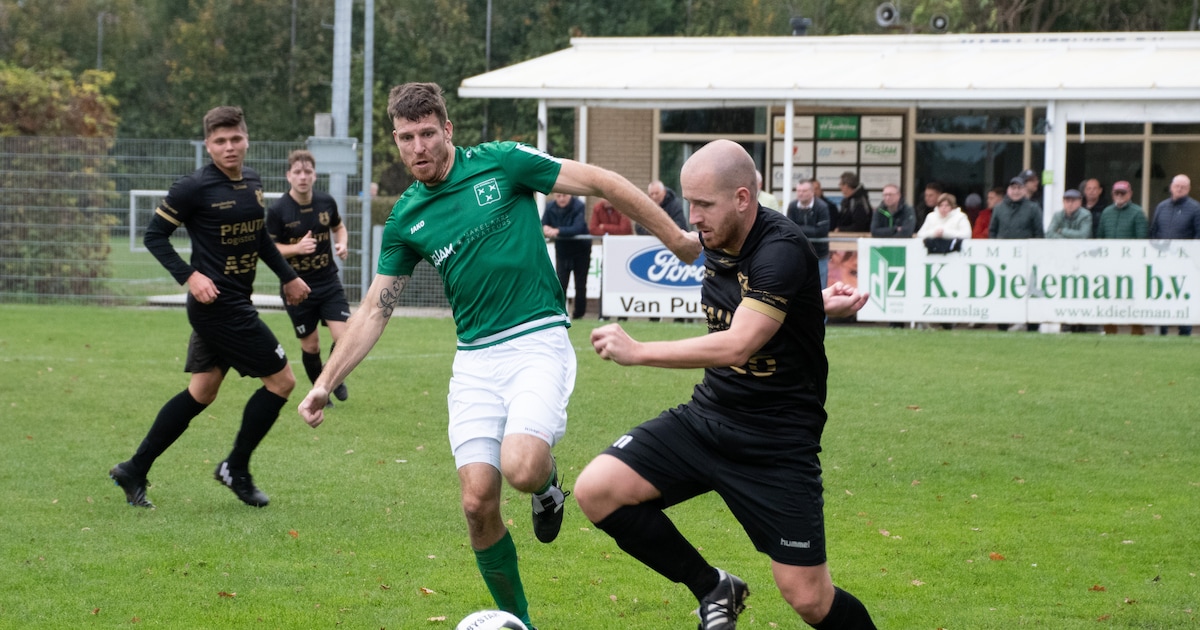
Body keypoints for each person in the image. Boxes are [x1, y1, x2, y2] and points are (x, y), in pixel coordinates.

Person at [296, 82, 700, 629]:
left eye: (427, 134)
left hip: (537, 342)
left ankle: (548, 485)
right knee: (476, 502)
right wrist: (325, 380)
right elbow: (374, 308)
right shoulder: (407, 218)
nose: (417, 148)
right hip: (475, 361)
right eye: (405, 138)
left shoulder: (503, 164)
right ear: (396, 140)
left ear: (448, 130)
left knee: (522, 468)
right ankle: (520, 624)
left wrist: (675, 237)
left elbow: (600, 181)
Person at [574, 139, 877, 630]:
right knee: (597, 490)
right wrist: (815, 300)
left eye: (703, 204)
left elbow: (739, 343)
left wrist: (639, 352)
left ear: (742, 197)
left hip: (775, 443)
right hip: (707, 418)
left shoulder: (780, 247)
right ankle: (714, 587)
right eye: (688, 202)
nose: (692, 217)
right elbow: (766, 299)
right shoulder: (718, 236)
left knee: (809, 598)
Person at [109, 106, 310, 509]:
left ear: (246, 139)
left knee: (201, 392)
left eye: (235, 139)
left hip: (235, 300)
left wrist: (288, 275)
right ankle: (235, 468)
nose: (229, 147)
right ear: (208, 145)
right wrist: (189, 276)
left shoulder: (252, 182)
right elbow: (155, 236)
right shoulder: (193, 188)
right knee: (283, 381)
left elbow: (260, 241)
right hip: (218, 307)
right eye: (220, 141)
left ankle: (133, 469)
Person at [267, 149, 351, 407]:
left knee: (345, 338)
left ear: (315, 175)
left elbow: (338, 227)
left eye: (308, 172)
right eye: (298, 172)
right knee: (311, 346)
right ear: (288, 176)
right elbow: (269, 249)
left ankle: (331, 375)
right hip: (297, 286)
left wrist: (342, 244)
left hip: (328, 282)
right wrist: (296, 249)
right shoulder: (278, 210)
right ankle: (321, 392)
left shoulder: (326, 202)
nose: (303, 177)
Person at [990, 176, 1044, 331]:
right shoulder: (999, 208)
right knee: (1003, 293)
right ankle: (1002, 325)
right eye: (1013, 188)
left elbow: (1038, 233)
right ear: (1008, 190)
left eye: (1019, 188)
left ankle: (1033, 326)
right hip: (1004, 259)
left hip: (1027, 259)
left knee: (1030, 293)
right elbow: (993, 231)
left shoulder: (1033, 208)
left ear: (1024, 190)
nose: (1015, 191)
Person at [1149, 174, 1200, 336]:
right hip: (1163, 262)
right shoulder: (1161, 207)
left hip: (1185, 263)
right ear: (1171, 187)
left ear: (1188, 189)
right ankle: (1161, 331)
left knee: (1183, 296)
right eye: (1176, 186)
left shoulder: (1195, 208)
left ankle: (1184, 332)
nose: (1179, 189)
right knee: (1162, 295)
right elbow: (1153, 233)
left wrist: (1188, 254)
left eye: (1183, 187)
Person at [1096, 181, 1147, 335]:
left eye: (1122, 193)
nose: (1119, 196)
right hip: (1110, 263)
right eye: (1117, 193)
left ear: (1129, 194)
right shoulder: (1106, 212)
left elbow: (1142, 239)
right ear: (1112, 195)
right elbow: (1101, 237)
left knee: (1133, 297)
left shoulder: (1138, 212)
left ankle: (1137, 329)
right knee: (1109, 296)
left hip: (1131, 263)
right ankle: (1110, 329)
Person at [542, 192, 592, 320]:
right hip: (563, 250)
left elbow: (578, 228)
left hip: (581, 250)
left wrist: (557, 231)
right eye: (558, 196)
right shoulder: (549, 207)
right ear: (554, 196)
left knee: (580, 283)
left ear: (570, 195)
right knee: (561, 282)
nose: (561, 199)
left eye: (564, 195)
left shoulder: (579, 206)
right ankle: (559, 313)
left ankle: (579, 314)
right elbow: (543, 224)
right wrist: (545, 229)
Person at [786, 179, 832, 289]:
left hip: (819, 255)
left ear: (812, 192)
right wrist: (811, 230)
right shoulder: (792, 206)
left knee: (821, 288)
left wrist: (799, 229)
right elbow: (789, 229)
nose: (800, 193)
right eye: (798, 191)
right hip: (798, 254)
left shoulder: (822, 207)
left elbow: (822, 231)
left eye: (804, 191)